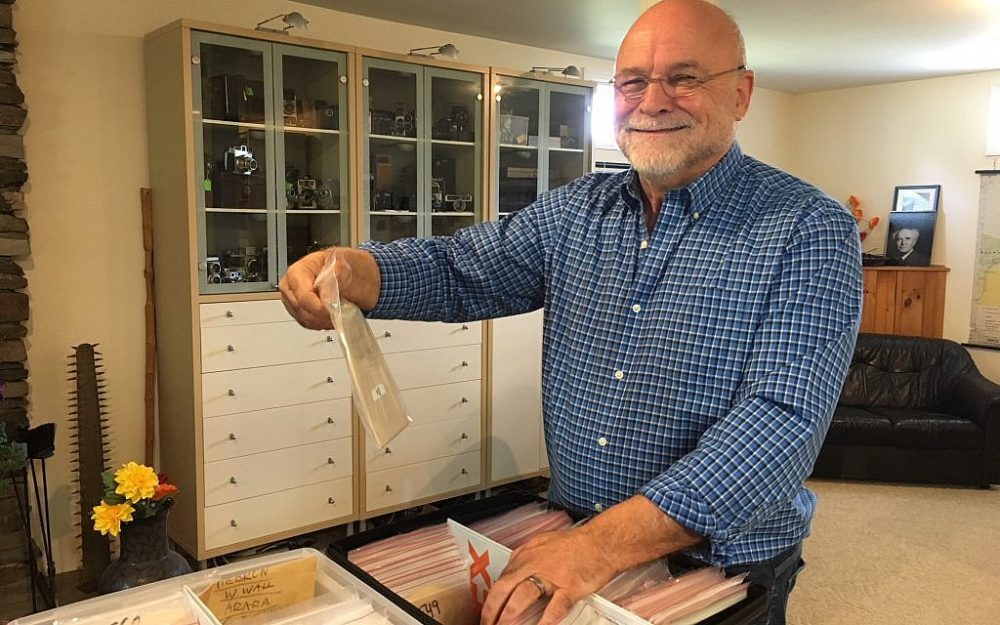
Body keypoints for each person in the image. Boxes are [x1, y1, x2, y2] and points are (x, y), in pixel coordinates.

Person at [280, 1, 863, 624]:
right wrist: (356, 270)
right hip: (569, 537)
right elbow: (462, 268)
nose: (653, 100)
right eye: (633, 81)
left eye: (685, 78)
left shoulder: (808, 227)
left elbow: (780, 423)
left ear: (741, 93)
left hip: (717, 566)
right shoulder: (579, 207)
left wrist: (600, 545)